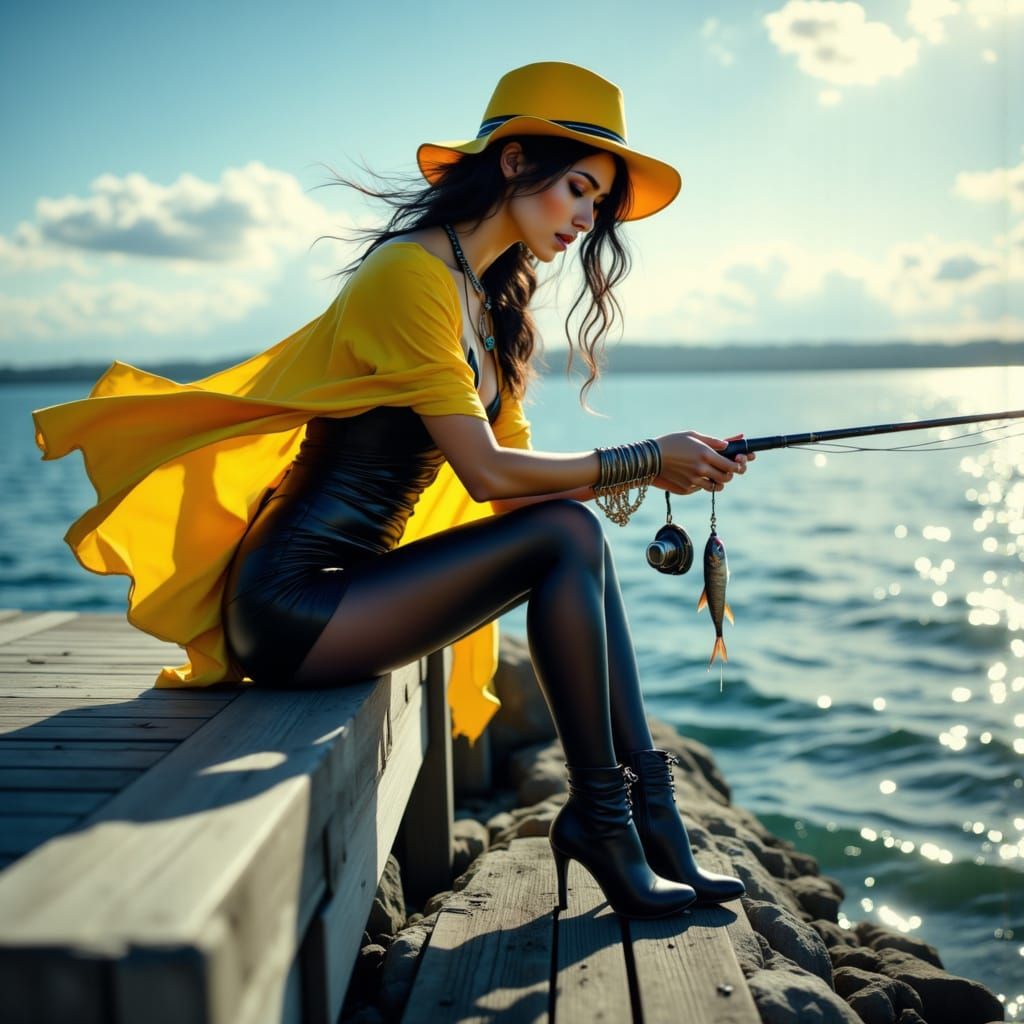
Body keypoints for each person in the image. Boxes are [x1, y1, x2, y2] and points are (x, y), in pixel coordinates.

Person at [34, 62, 753, 920]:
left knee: (571, 532)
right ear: (515, 161)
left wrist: (679, 461)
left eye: (599, 202)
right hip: (295, 606)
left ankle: (649, 819)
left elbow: (513, 503)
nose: (589, 218)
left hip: (358, 596)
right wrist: (643, 460)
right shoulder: (407, 276)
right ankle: (608, 821)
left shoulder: (489, 309)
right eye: (579, 189)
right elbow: (488, 470)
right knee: (570, 533)